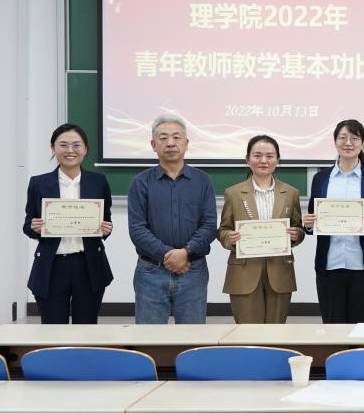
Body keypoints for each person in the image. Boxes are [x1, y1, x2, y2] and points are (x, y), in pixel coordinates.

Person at [127, 114, 217, 324]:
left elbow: (209, 225)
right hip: (151, 272)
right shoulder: (141, 182)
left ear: (186, 143)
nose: (170, 143)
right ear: (153, 145)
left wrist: (186, 252)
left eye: (176, 137)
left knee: (192, 337)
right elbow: (137, 229)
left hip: (193, 270)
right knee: (148, 338)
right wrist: (169, 255)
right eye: (163, 138)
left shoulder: (203, 181)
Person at [22, 123, 114, 324]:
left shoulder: (98, 181)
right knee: (53, 328)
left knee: (86, 327)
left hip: (88, 265)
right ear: (53, 148)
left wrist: (106, 228)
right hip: (52, 265)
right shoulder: (38, 183)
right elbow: (28, 224)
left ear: (85, 149)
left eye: (76, 145)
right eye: (63, 145)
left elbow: (106, 220)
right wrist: (34, 228)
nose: (70, 150)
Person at [303, 119, 364, 323]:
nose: (348, 143)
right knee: (332, 328)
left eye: (354, 138)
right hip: (329, 266)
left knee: (362, 328)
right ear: (335, 142)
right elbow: (313, 219)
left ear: (362, 143)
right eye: (342, 137)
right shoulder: (321, 179)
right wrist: (308, 224)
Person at [217, 135, 306, 324]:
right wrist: (229, 238)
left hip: (280, 271)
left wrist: (297, 234)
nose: (263, 161)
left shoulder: (291, 193)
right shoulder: (233, 193)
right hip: (244, 272)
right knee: (247, 333)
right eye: (257, 155)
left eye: (270, 156)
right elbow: (223, 230)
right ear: (247, 159)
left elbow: (298, 228)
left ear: (277, 160)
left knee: (276, 332)